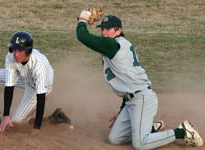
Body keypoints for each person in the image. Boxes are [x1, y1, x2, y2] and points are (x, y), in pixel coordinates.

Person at [76, 10, 203, 149]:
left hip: (142, 99)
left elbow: (83, 36)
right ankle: (150, 129)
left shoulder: (113, 45)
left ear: (118, 31)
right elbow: (127, 84)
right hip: (131, 100)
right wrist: (121, 112)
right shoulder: (115, 45)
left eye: (107, 29)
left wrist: (83, 21)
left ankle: (182, 131)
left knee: (140, 144)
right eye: (102, 29)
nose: (104, 33)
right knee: (115, 138)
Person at [0, 31, 54, 135]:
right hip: (23, 76)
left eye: (20, 50)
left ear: (27, 51)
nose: (16, 54)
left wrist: (37, 127)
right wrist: (6, 116)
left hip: (37, 85)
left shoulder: (39, 67)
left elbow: (40, 97)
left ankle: (54, 118)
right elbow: (9, 86)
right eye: (14, 49)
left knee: (15, 123)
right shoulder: (11, 57)